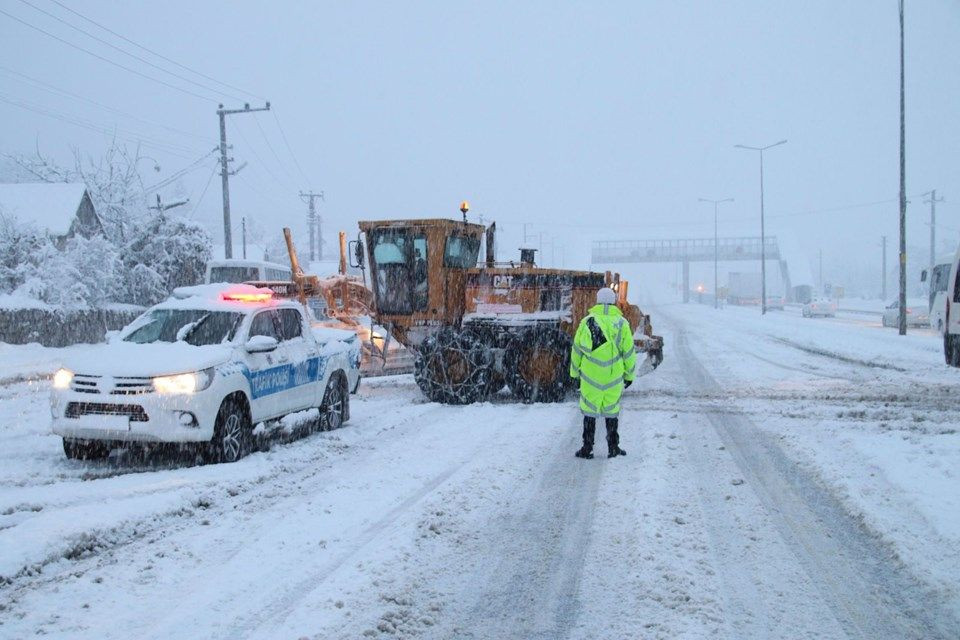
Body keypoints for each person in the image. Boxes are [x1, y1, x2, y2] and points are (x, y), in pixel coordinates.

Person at [569, 287, 637, 459]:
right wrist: (629, 375)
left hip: (590, 375)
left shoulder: (587, 321)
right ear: (614, 301)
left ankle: (587, 448)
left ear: (597, 301)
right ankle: (613, 447)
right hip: (613, 376)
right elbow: (628, 352)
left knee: (589, 412)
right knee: (612, 412)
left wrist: (574, 373)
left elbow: (577, 350)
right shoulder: (622, 323)